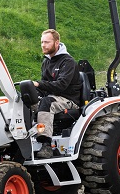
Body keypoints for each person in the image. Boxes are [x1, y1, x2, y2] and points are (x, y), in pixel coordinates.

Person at [31, 28, 82, 158]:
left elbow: (61, 85)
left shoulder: (68, 62)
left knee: (47, 102)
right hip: (53, 97)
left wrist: (39, 84)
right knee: (28, 100)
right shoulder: (46, 61)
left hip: (68, 99)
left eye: (47, 42)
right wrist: (33, 90)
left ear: (56, 43)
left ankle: (46, 144)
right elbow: (45, 85)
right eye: (42, 42)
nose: (43, 45)